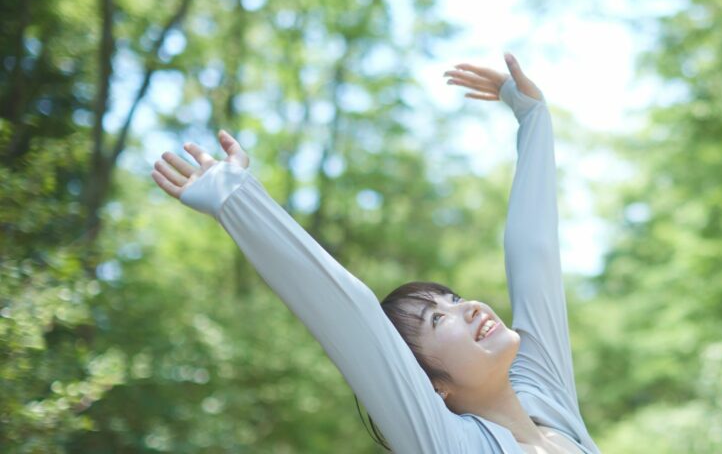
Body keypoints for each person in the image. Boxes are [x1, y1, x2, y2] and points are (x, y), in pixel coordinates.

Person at [151, 53, 599, 453]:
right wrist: (236, 199)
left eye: (455, 301)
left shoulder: (547, 400)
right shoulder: (449, 444)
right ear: (433, 386)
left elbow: (535, 257)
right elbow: (352, 315)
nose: (468, 310)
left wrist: (533, 118)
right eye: (438, 319)